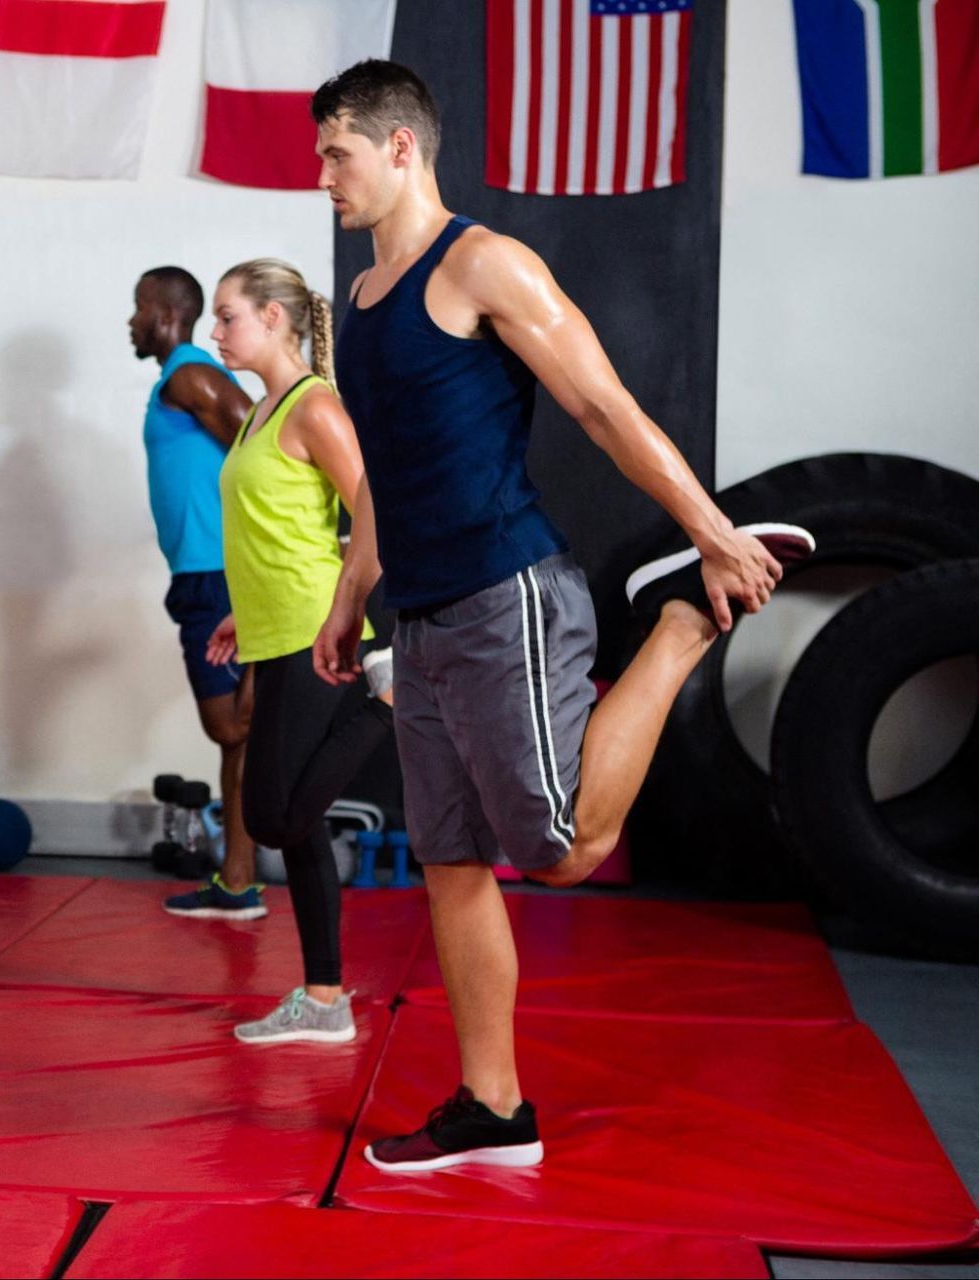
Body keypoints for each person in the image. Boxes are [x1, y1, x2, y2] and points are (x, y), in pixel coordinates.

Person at [306, 61, 813, 1171]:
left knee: (566, 847)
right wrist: (353, 594)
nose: (323, 174)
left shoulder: (483, 264)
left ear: (401, 148)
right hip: (425, 617)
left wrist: (714, 529)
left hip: (506, 592)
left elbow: (600, 403)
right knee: (448, 857)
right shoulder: (361, 299)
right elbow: (386, 471)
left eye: (338, 152)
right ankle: (494, 1106)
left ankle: (681, 622)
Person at [198, 258, 398, 1046]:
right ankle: (324, 1000)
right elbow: (269, 532)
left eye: (227, 317)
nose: (215, 334)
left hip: (321, 635)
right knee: (301, 824)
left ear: (274, 320)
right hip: (275, 633)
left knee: (273, 815)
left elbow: (376, 514)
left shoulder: (316, 407)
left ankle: (390, 701)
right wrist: (241, 617)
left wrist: (345, 614)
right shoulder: (259, 410)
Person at [128, 266, 266, 920]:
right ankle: (237, 883)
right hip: (200, 577)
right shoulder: (173, 384)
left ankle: (277, 661)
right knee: (233, 739)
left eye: (137, 309)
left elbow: (264, 443)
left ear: (162, 312)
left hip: (220, 576)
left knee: (231, 722)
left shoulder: (188, 373)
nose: (130, 322)